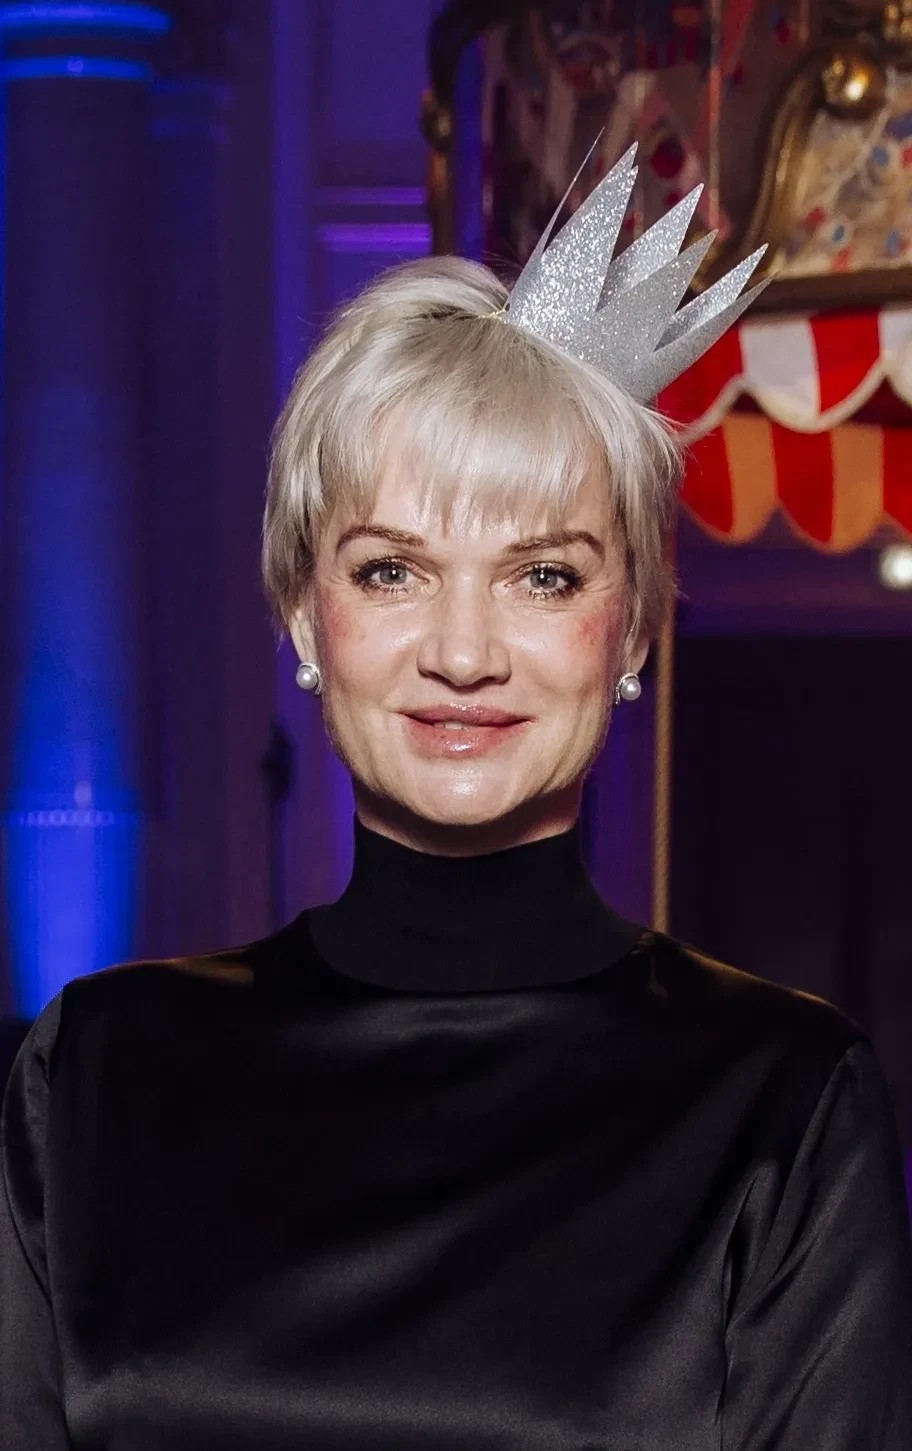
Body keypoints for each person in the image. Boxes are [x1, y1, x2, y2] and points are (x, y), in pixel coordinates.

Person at [2, 152, 911, 1449]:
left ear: (632, 628)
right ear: (304, 616)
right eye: (393, 571)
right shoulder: (95, 1071)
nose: (464, 651)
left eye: (544, 576)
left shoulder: (784, 1101)